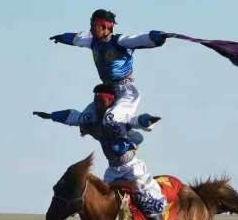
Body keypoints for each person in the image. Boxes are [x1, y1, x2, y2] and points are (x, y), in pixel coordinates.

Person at [33, 83, 168, 220]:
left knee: (146, 194)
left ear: (111, 101)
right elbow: (73, 116)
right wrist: (51, 116)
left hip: (132, 167)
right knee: (104, 199)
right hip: (112, 169)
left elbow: (136, 121)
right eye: (96, 99)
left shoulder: (118, 118)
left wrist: (148, 120)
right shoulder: (93, 118)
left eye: (101, 100)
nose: (97, 103)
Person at [49, 9, 168, 137]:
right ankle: (128, 129)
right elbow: (75, 38)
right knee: (87, 119)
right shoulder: (92, 41)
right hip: (108, 90)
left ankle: (142, 127)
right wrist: (60, 38)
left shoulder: (121, 42)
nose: (92, 29)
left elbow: (140, 39)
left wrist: (156, 37)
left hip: (126, 91)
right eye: (91, 25)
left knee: (109, 119)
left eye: (95, 26)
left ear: (106, 27)